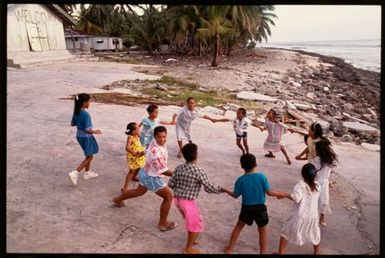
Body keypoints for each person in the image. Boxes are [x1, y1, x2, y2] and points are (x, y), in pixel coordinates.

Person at [112, 126, 177, 231]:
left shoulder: (153, 143)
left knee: (139, 192)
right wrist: (179, 174)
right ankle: (163, 223)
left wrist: (141, 153)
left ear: (166, 135)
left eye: (164, 137)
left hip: (145, 173)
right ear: (155, 136)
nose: (162, 139)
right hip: (152, 177)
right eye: (159, 137)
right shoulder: (156, 152)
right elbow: (163, 170)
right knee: (168, 196)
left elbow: (146, 148)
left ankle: (117, 200)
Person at [221, 153, 285, 254]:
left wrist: (225, 190)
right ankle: (262, 253)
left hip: (246, 208)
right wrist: (281, 194)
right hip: (260, 208)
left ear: (242, 166)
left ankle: (230, 249)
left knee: (238, 226)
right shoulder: (262, 177)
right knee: (262, 231)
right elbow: (269, 193)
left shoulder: (240, 180)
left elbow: (235, 195)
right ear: (256, 164)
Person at [168, 143, 225, 254]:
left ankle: (192, 240)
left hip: (178, 200)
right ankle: (188, 249)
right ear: (196, 155)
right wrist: (222, 190)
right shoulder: (199, 171)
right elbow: (209, 188)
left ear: (184, 156)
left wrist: (181, 187)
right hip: (188, 202)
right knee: (194, 224)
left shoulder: (179, 168)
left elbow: (170, 183)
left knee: (196, 220)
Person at [276, 163, 321, 255]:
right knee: (315, 234)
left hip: (300, 215)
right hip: (313, 216)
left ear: (302, 174)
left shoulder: (300, 186)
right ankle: (317, 252)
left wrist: (283, 194)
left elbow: (296, 197)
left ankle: (281, 252)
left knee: (285, 232)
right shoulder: (318, 186)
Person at [68, 93, 101, 185]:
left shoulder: (76, 111)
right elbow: (87, 130)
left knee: (88, 154)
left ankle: (87, 172)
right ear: (84, 103)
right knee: (90, 156)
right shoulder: (86, 114)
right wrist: (96, 131)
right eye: (88, 101)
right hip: (86, 137)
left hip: (79, 136)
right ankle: (75, 172)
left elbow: (72, 123)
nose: (89, 103)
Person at [311, 138, 338, 227]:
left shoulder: (327, 160)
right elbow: (313, 172)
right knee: (317, 201)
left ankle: (321, 218)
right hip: (317, 182)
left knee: (323, 201)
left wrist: (329, 182)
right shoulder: (317, 160)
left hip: (323, 183)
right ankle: (316, 218)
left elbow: (328, 172)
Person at [121, 122, 146, 193]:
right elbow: (127, 147)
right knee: (131, 171)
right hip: (133, 157)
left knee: (139, 167)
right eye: (138, 129)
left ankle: (134, 177)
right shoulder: (130, 137)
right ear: (133, 131)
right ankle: (125, 187)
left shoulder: (137, 135)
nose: (139, 130)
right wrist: (133, 152)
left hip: (139, 156)